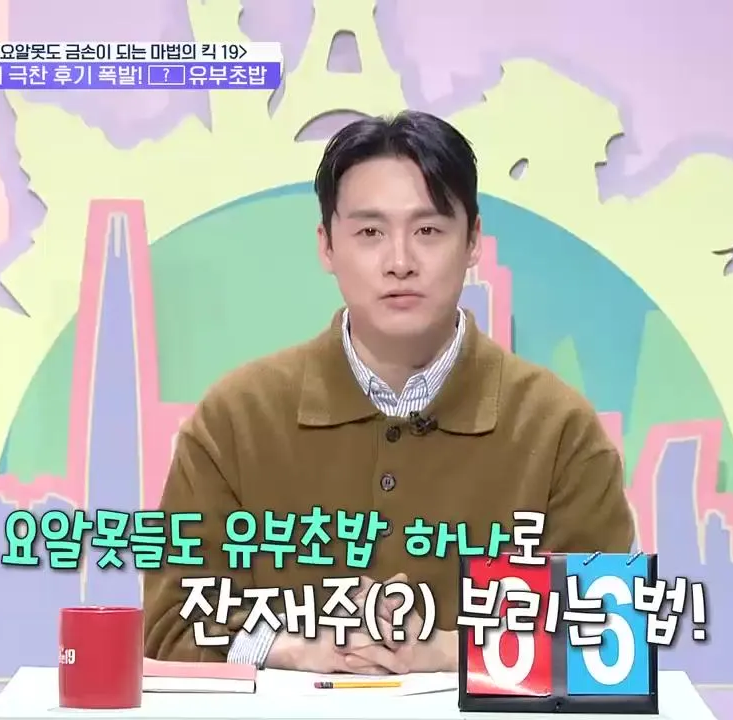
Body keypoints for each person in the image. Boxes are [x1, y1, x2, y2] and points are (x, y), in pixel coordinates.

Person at [143, 110, 633, 674]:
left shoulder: (559, 430)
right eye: (370, 233)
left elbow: (605, 643)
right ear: (327, 246)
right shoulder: (235, 420)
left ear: (473, 241)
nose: (400, 262)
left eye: (428, 231)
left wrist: (447, 652)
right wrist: (298, 648)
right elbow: (169, 627)